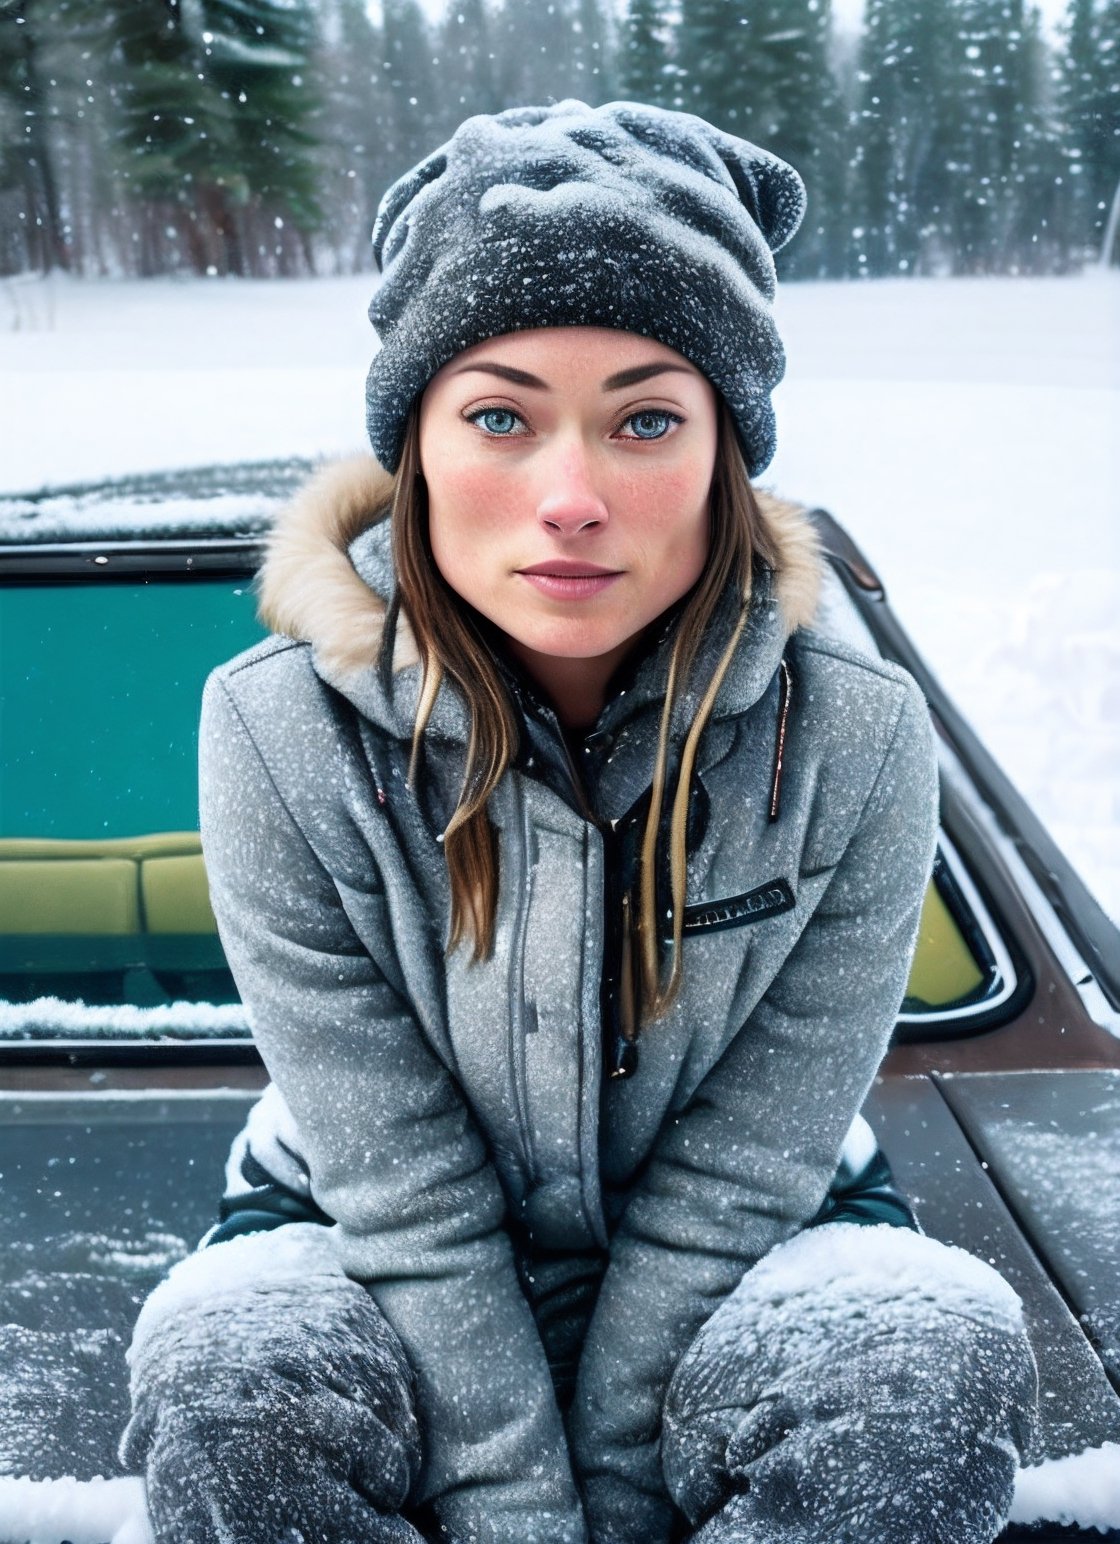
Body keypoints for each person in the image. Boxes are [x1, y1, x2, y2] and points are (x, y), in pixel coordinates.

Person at [121, 100, 1039, 1544]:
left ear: (725, 454)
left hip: (759, 1238)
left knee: (922, 1351)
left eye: (646, 419)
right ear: (414, 445)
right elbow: (401, 1186)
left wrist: (606, 1490)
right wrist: (520, 1513)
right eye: (498, 415)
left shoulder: (857, 739)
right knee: (234, 1377)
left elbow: (748, 1163)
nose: (569, 498)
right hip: (359, 1239)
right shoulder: (274, 728)